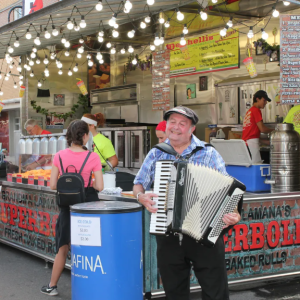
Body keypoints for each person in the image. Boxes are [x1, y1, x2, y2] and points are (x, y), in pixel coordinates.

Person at [133, 106, 241, 300]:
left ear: (192, 129)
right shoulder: (157, 153)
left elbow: (227, 189)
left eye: (182, 124)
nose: (175, 127)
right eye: (172, 122)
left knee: (215, 291)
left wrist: (234, 213)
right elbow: (139, 183)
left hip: (204, 234)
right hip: (167, 235)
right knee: (174, 292)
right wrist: (141, 197)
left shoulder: (208, 153)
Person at [41, 120, 103, 296]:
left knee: (63, 247)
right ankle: (93, 288)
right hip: (88, 207)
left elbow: (53, 185)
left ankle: (52, 286)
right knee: (90, 246)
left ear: (69, 136)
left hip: (68, 207)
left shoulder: (59, 156)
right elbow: (100, 186)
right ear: (85, 136)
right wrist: (88, 182)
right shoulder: (93, 157)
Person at [242, 90, 273, 163]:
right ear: (257, 99)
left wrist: (266, 142)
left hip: (245, 144)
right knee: (256, 166)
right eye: (264, 100)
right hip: (251, 145)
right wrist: (276, 130)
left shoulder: (249, 111)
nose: (265, 103)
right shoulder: (256, 110)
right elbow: (262, 129)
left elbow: (251, 135)